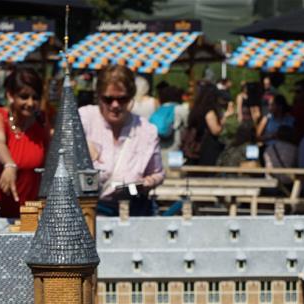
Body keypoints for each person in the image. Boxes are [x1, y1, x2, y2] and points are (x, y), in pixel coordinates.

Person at [79, 64, 164, 216]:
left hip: (131, 211)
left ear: (131, 97)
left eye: (122, 99)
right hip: (87, 212)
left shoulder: (147, 131)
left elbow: (157, 173)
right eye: (108, 99)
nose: (115, 105)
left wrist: (146, 183)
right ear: (99, 96)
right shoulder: (83, 120)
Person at [0, 66, 48, 220]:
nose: (30, 103)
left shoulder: (41, 122)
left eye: (35, 97)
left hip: (27, 212)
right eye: (24, 97)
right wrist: (9, 164)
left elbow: (50, 157)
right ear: (10, 95)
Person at [183, 82, 232, 166]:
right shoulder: (209, 112)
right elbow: (215, 130)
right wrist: (225, 117)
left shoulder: (196, 110)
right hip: (207, 146)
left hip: (196, 146)